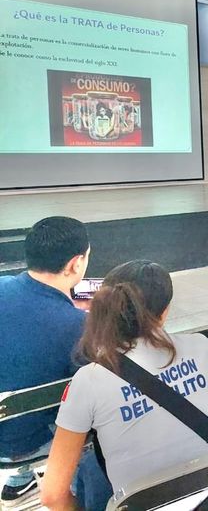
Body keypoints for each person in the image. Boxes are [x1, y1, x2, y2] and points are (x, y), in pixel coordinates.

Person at [42, 260, 208, 511]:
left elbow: (53, 495)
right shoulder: (202, 346)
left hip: (137, 504)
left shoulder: (89, 379)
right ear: (165, 312)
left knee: (89, 469)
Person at [0, 217, 91, 507]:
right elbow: (88, 395)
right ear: (76, 264)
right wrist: (82, 318)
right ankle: (79, 487)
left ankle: (19, 481)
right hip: (27, 442)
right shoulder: (79, 326)